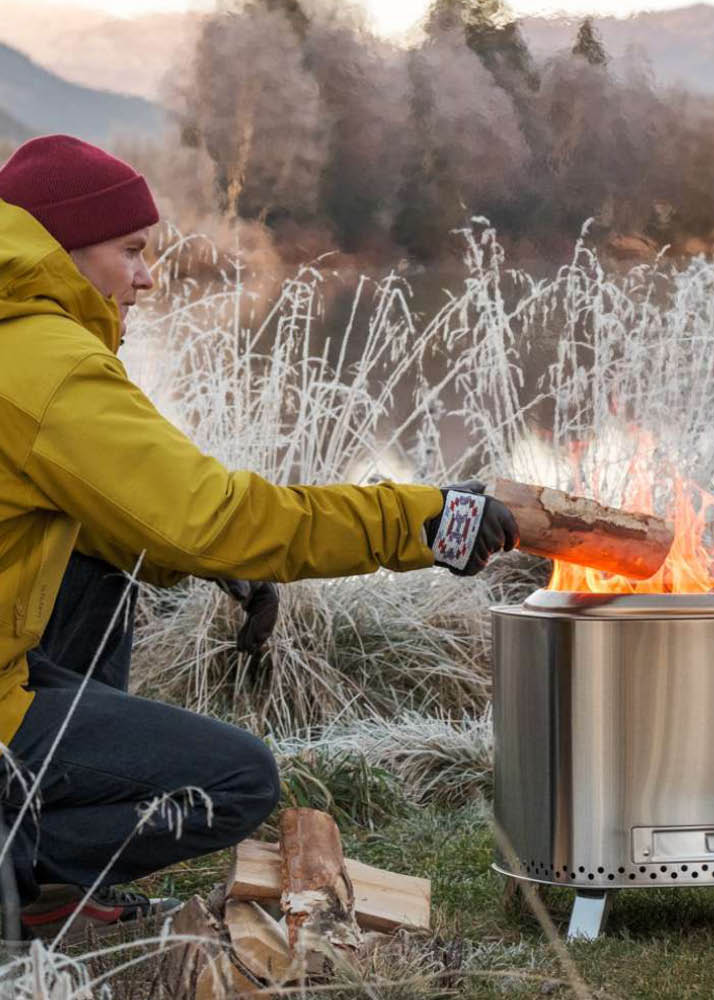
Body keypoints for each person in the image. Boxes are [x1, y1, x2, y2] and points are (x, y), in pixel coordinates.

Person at [0, 135, 518, 939]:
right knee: (236, 780)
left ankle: (46, 884)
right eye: (130, 252)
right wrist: (425, 520)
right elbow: (219, 517)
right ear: (64, 251)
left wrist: (204, 563)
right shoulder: (43, 359)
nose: (146, 277)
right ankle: (17, 863)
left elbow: (146, 518)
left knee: (108, 560)